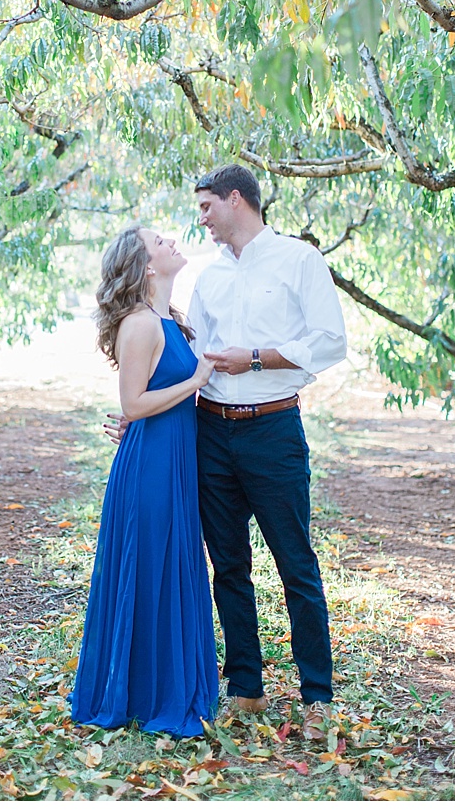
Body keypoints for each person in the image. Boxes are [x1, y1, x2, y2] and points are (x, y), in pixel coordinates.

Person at [189, 163, 346, 740]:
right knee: (228, 566)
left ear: (236, 199)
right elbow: (197, 360)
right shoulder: (206, 278)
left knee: (295, 562)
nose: (201, 218)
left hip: (273, 430)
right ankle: (245, 688)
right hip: (211, 431)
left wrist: (256, 358)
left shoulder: (299, 260)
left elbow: (329, 342)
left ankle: (317, 696)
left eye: (207, 206)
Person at [69, 227, 218, 737]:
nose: (171, 240)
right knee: (151, 570)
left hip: (173, 460)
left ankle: (159, 685)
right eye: (158, 240)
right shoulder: (139, 324)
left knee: (170, 569)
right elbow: (133, 404)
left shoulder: (168, 321)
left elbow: (146, 400)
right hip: (151, 467)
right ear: (146, 265)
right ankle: (143, 694)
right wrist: (196, 382)